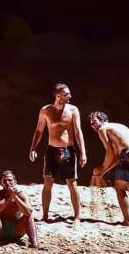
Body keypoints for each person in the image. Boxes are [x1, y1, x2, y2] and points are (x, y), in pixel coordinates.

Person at [28, 83, 87, 224]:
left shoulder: (73, 110)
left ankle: (77, 216)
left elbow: (78, 132)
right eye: (67, 94)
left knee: (72, 182)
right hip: (52, 150)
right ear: (58, 96)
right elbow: (39, 130)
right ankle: (45, 215)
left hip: (68, 150)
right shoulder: (45, 110)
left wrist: (83, 152)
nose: (70, 96)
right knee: (48, 181)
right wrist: (33, 148)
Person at [89, 111, 129, 227]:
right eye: (91, 123)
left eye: (94, 121)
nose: (93, 125)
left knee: (119, 188)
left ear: (103, 120)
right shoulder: (118, 126)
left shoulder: (102, 129)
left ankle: (127, 221)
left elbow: (110, 153)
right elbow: (116, 158)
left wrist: (100, 169)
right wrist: (103, 171)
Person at [0, 171, 40, 248]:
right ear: (1, 183)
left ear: (15, 182)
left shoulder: (22, 195)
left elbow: (28, 212)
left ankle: (34, 242)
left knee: (29, 216)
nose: (7, 182)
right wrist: (8, 197)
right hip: (0, 230)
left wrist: (15, 197)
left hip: (16, 230)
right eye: (5, 181)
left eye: (10, 180)